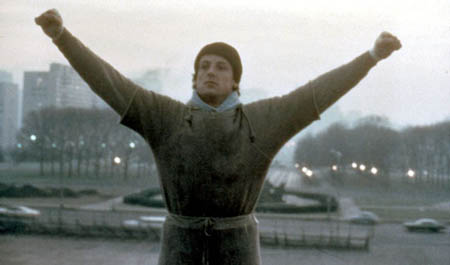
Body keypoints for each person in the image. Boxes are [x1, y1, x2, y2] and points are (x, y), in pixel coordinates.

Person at [35, 8, 401, 265]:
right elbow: (108, 82)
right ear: (193, 79)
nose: (210, 72)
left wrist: (371, 56)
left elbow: (316, 94)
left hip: (239, 252)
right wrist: (61, 37)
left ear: (235, 81)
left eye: (221, 67)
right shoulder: (165, 117)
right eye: (203, 67)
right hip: (179, 251)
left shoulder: (262, 120)